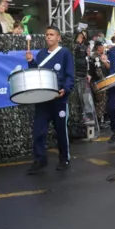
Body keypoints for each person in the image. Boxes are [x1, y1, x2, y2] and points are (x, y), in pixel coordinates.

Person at [25, 26, 75, 174]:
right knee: (38, 130)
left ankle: (64, 158)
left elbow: (69, 75)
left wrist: (65, 89)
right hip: (43, 98)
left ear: (58, 37)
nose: (48, 37)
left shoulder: (65, 53)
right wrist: (31, 62)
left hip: (59, 98)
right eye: (47, 34)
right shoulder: (41, 54)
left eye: (52, 35)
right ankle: (40, 159)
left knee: (61, 130)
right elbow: (36, 73)